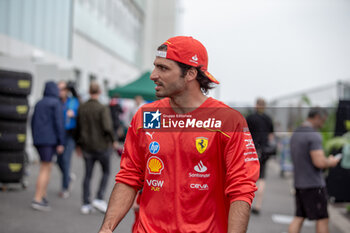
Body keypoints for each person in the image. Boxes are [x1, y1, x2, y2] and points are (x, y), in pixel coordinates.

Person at [98, 36, 260, 233]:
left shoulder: (228, 121)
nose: (153, 75)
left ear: (190, 73)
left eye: (163, 68)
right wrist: (106, 229)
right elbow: (129, 177)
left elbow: (241, 189)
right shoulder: (146, 115)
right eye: (155, 66)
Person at [288, 107, 341, 233]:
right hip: (313, 185)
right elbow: (319, 162)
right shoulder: (313, 135)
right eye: (323, 120)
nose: (323, 124)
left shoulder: (296, 133)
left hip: (299, 183)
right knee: (322, 219)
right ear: (317, 117)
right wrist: (331, 162)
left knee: (299, 217)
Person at [75, 82, 117, 214]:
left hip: (87, 146)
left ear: (89, 91)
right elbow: (107, 127)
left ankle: (86, 203)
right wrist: (113, 140)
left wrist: (78, 145)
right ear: (99, 92)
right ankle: (99, 198)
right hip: (102, 146)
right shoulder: (102, 108)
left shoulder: (82, 107)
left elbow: (78, 128)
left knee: (88, 175)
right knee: (106, 172)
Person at [31, 81, 64, 211]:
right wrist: (61, 142)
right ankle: (37, 199)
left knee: (46, 167)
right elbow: (59, 123)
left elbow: (32, 122)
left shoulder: (39, 103)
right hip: (49, 141)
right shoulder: (56, 103)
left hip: (39, 140)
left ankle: (43, 195)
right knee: (45, 168)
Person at [246, 98, 275, 214]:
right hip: (264, 151)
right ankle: (258, 205)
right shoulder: (268, 119)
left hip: (250, 150)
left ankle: (246, 203)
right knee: (261, 178)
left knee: (247, 177)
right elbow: (271, 136)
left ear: (256, 105)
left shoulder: (250, 118)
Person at [57, 80, 80, 198]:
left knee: (66, 160)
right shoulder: (57, 102)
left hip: (70, 134)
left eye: (63, 89)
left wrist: (74, 115)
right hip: (59, 134)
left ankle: (64, 188)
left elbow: (81, 115)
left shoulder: (74, 101)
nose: (61, 91)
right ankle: (69, 177)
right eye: (59, 89)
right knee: (59, 161)